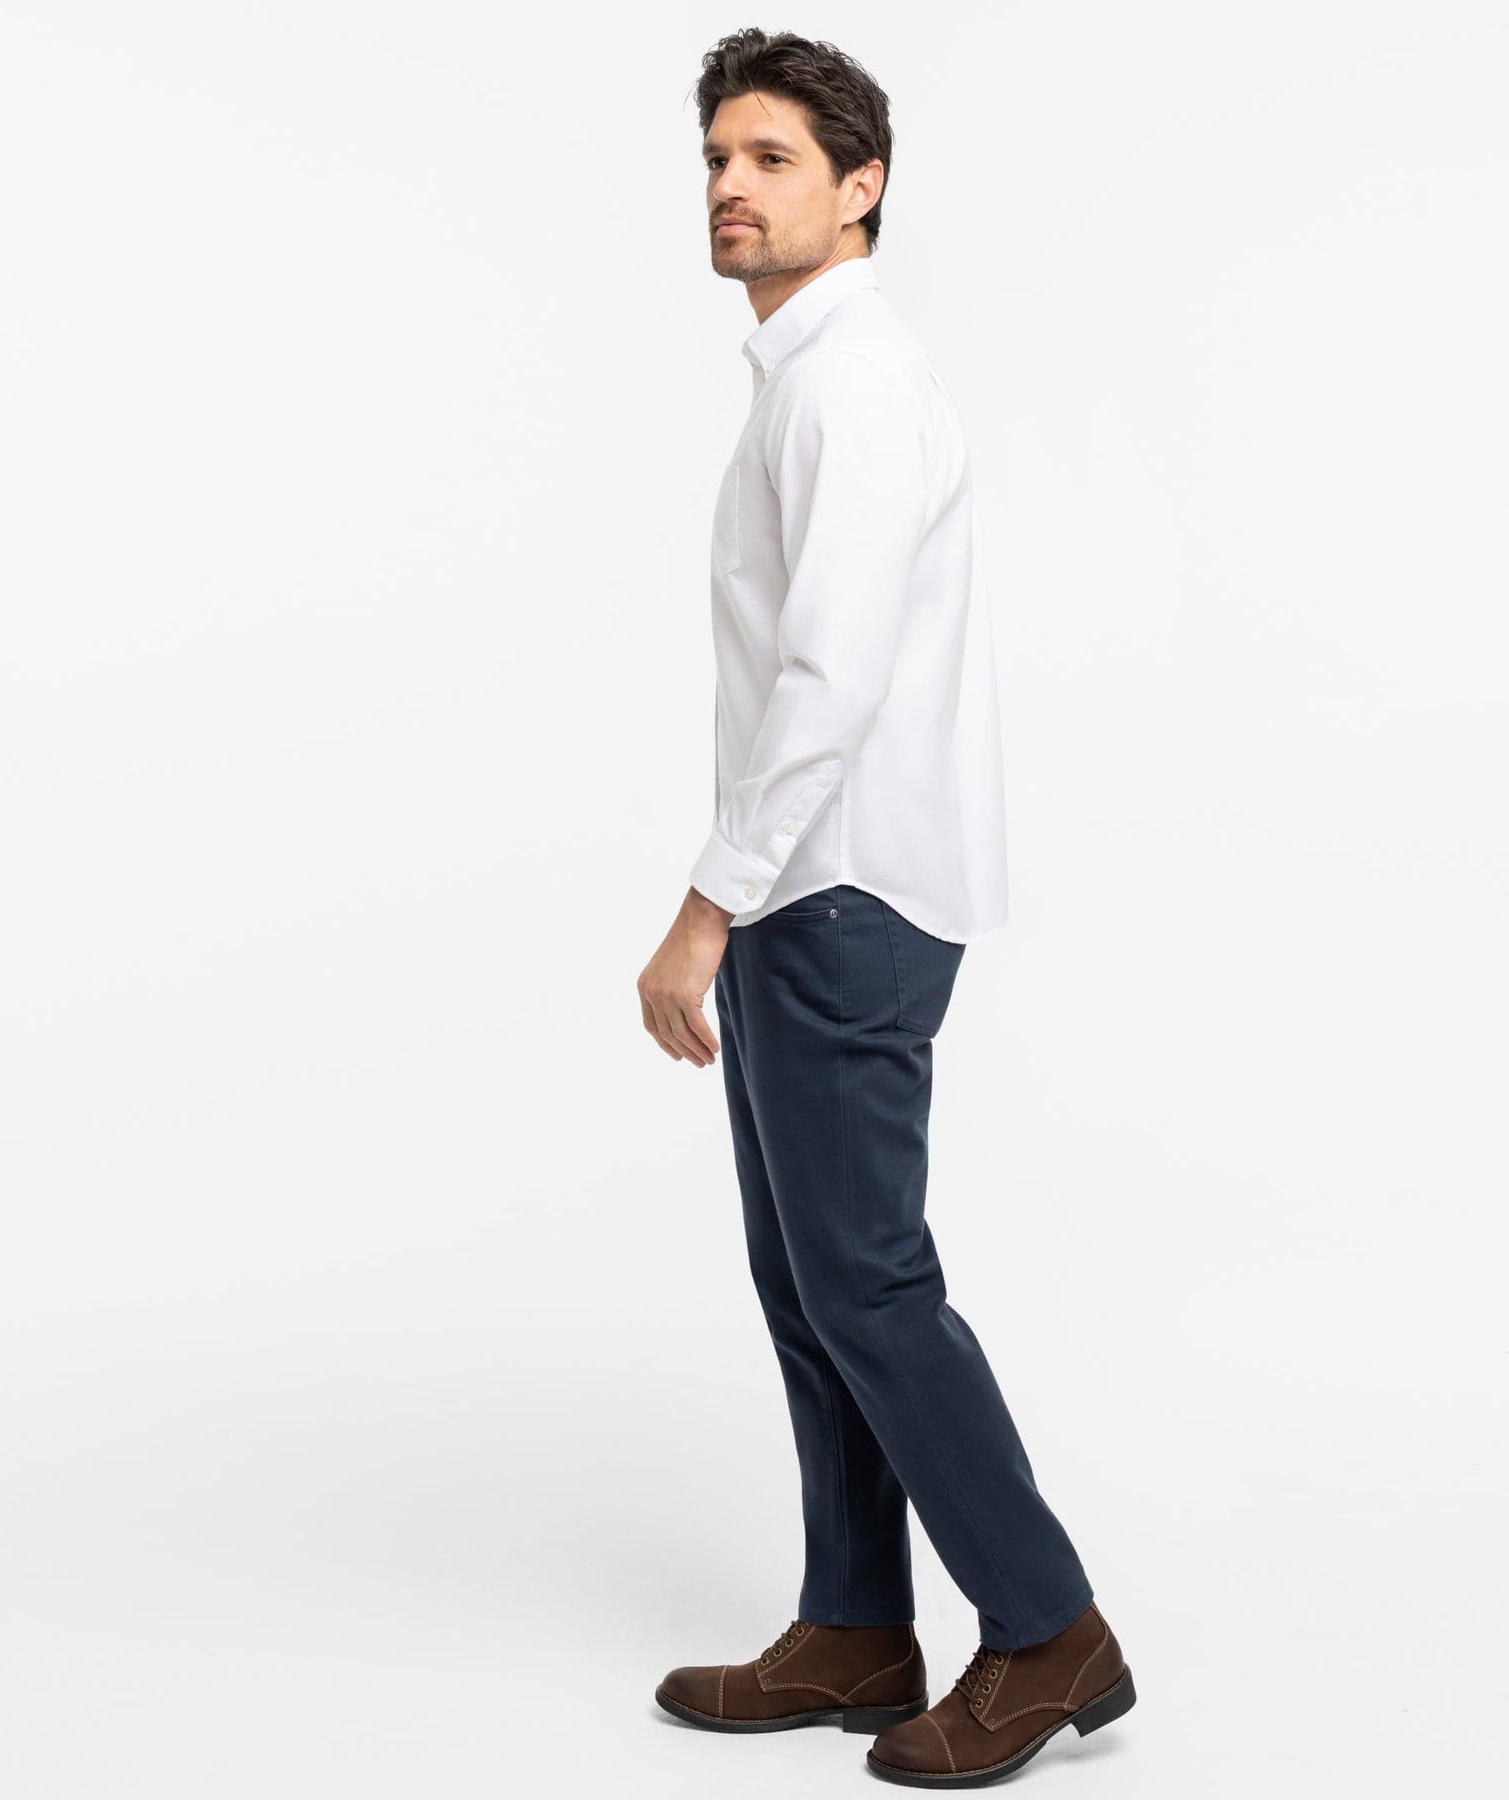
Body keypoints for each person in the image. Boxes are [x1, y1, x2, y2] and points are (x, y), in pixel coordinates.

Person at [635, 28, 1135, 1788]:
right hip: (813, 888)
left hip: (839, 894)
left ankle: (1048, 1629)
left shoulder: (849, 386)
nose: (728, 185)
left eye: (769, 157)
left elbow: (829, 676)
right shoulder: (805, 379)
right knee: (808, 1277)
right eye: (717, 156)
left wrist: (705, 908)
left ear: (860, 190)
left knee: (865, 1277)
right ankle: (854, 1622)